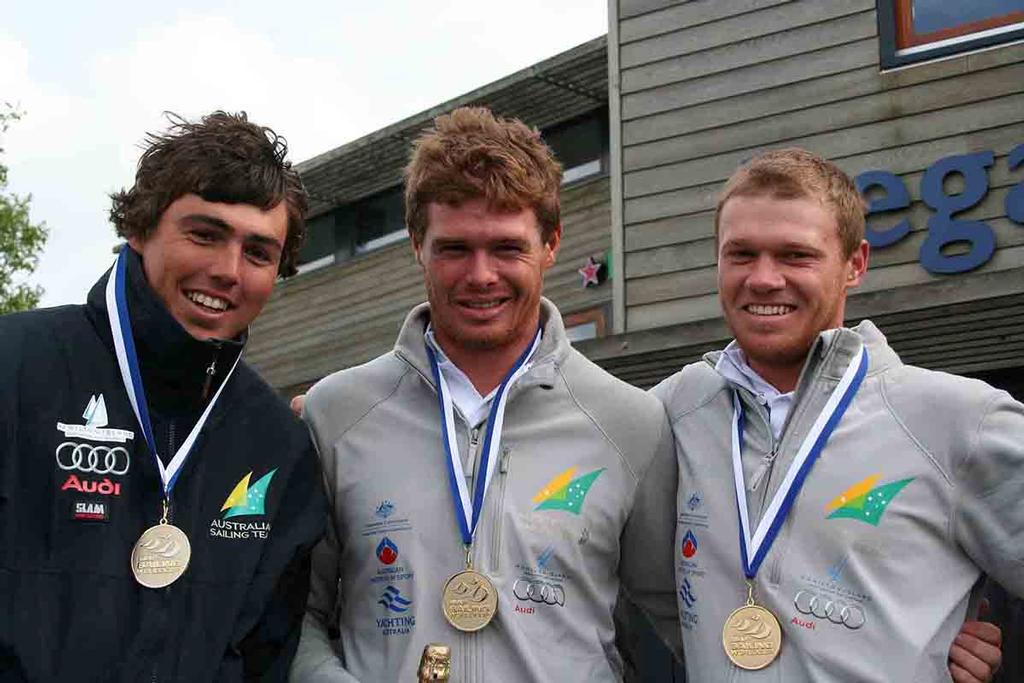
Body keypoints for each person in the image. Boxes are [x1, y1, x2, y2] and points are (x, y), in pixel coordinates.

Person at [289, 106, 681, 681]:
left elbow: (678, 619)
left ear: (551, 244)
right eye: (454, 249)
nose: (480, 275)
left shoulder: (630, 421)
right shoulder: (338, 412)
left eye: (506, 248)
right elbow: (296, 618)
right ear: (417, 245)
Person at [653, 148, 1016, 681]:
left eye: (795, 256)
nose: (763, 279)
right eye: (741, 254)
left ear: (856, 264)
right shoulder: (673, 411)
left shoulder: (960, 419)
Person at [0, 111, 326, 681]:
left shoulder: (279, 445)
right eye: (205, 234)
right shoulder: (15, 366)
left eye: (258, 252)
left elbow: (265, 659)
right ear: (141, 227)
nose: (228, 271)